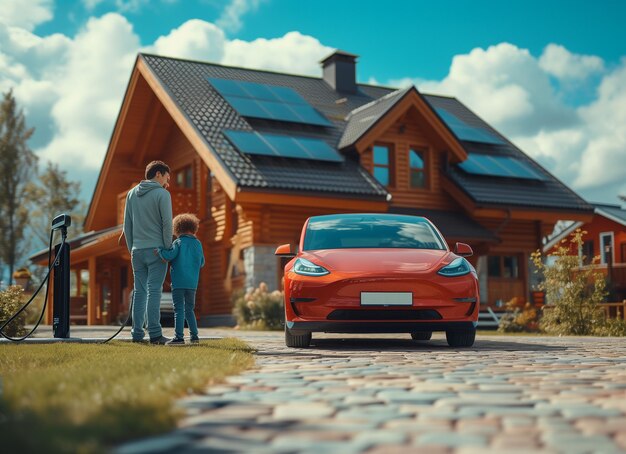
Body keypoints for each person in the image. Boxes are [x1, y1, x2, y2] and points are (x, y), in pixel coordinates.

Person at [123, 160, 173, 344]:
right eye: (167, 177)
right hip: (157, 250)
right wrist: (167, 248)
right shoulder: (162, 194)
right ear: (158, 174)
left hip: (137, 251)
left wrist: (132, 250)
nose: (168, 182)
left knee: (140, 292)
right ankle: (155, 334)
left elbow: (126, 226)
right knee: (154, 292)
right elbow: (168, 224)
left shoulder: (130, 194)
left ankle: (137, 334)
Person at [157, 213, 205, 345]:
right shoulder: (198, 244)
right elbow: (202, 262)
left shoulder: (178, 242)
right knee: (190, 310)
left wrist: (160, 250)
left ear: (177, 229)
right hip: (192, 284)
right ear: (193, 228)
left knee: (178, 309)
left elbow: (169, 256)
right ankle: (194, 336)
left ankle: (179, 337)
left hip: (178, 283)